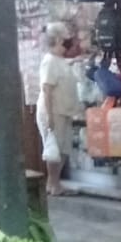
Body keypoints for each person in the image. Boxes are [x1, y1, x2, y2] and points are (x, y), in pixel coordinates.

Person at [36, 22, 83, 196]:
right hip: (53, 112)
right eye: (65, 39)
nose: (68, 42)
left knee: (62, 148)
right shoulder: (49, 61)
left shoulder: (59, 60)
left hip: (64, 111)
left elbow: (65, 67)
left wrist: (76, 60)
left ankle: (54, 183)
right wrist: (49, 116)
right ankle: (53, 183)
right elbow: (47, 90)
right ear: (56, 40)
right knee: (54, 149)